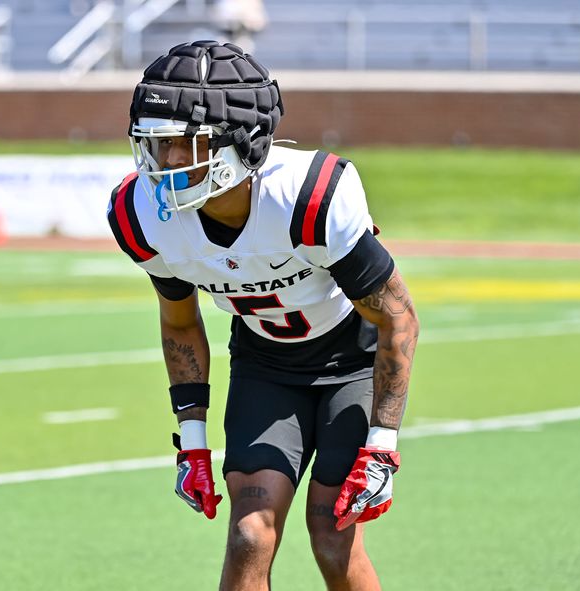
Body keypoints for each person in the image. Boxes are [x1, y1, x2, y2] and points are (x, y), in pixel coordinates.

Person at [107, 40, 419, 591]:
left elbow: (397, 317)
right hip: (265, 364)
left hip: (352, 362)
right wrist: (194, 439)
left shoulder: (307, 198)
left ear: (240, 144)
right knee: (250, 534)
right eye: (156, 145)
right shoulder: (144, 214)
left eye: (184, 145)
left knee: (331, 532)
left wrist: (383, 446)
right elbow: (180, 322)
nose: (166, 163)